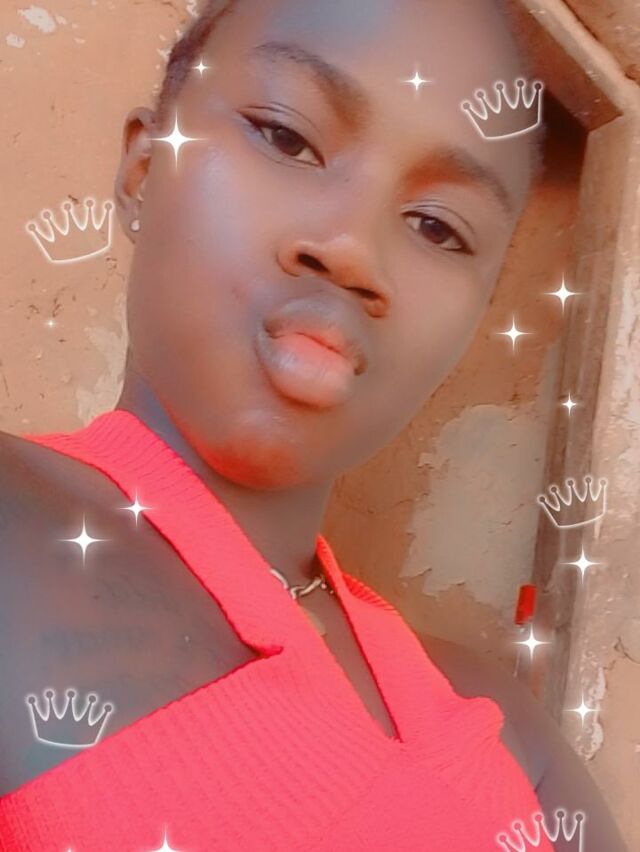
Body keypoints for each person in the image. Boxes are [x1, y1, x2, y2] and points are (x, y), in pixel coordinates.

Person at [0, 0, 628, 849]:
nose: (352, 249)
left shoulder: (508, 728)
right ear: (144, 171)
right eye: (287, 137)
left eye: (438, 227)